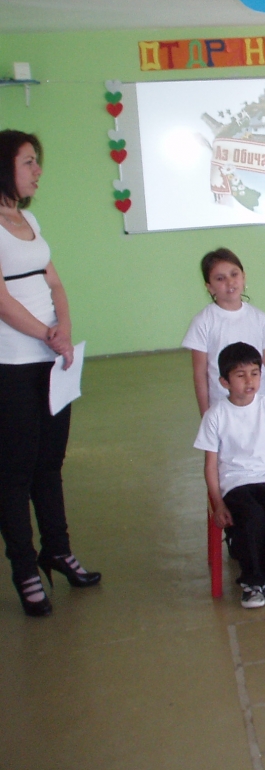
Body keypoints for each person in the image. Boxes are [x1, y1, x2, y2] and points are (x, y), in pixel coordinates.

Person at [0, 130, 100, 617]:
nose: (37, 170)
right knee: (14, 471)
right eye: (28, 162)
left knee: (49, 462)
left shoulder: (29, 220)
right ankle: (24, 567)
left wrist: (64, 330)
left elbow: (53, 281)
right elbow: (1, 301)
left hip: (51, 357)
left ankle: (57, 550)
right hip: (13, 362)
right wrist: (46, 333)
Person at [194, 342, 265, 609]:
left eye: (255, 373)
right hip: (235, 482)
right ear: (224, 382)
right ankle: (252, 581)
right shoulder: (215, 415)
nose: (249, 381)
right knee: (251, 516)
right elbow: (210, 465)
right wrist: (218, 503)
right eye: (240, 375)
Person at [183, 248, 265, 415]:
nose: (230, 282)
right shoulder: (203, 321)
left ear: (243, 277)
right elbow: (200, 373)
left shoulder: (259, 317)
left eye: (234, 274)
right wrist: (206, 414)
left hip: (260, 403)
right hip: (223, 407)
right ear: (209, 287)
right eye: (220, 278)